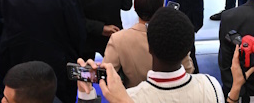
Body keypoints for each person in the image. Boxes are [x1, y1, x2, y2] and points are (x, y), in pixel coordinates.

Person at [77, 7, 224, 102]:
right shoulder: (211, 86)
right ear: (187, 51)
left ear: (150, 48)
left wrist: (86, 95)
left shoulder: (128, 97)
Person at [103, 0, 194, 88]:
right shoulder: (175, 34)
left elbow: (106, 75)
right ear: (162, 6)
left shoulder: (118, 39)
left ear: (135, 6)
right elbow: (188, 70)